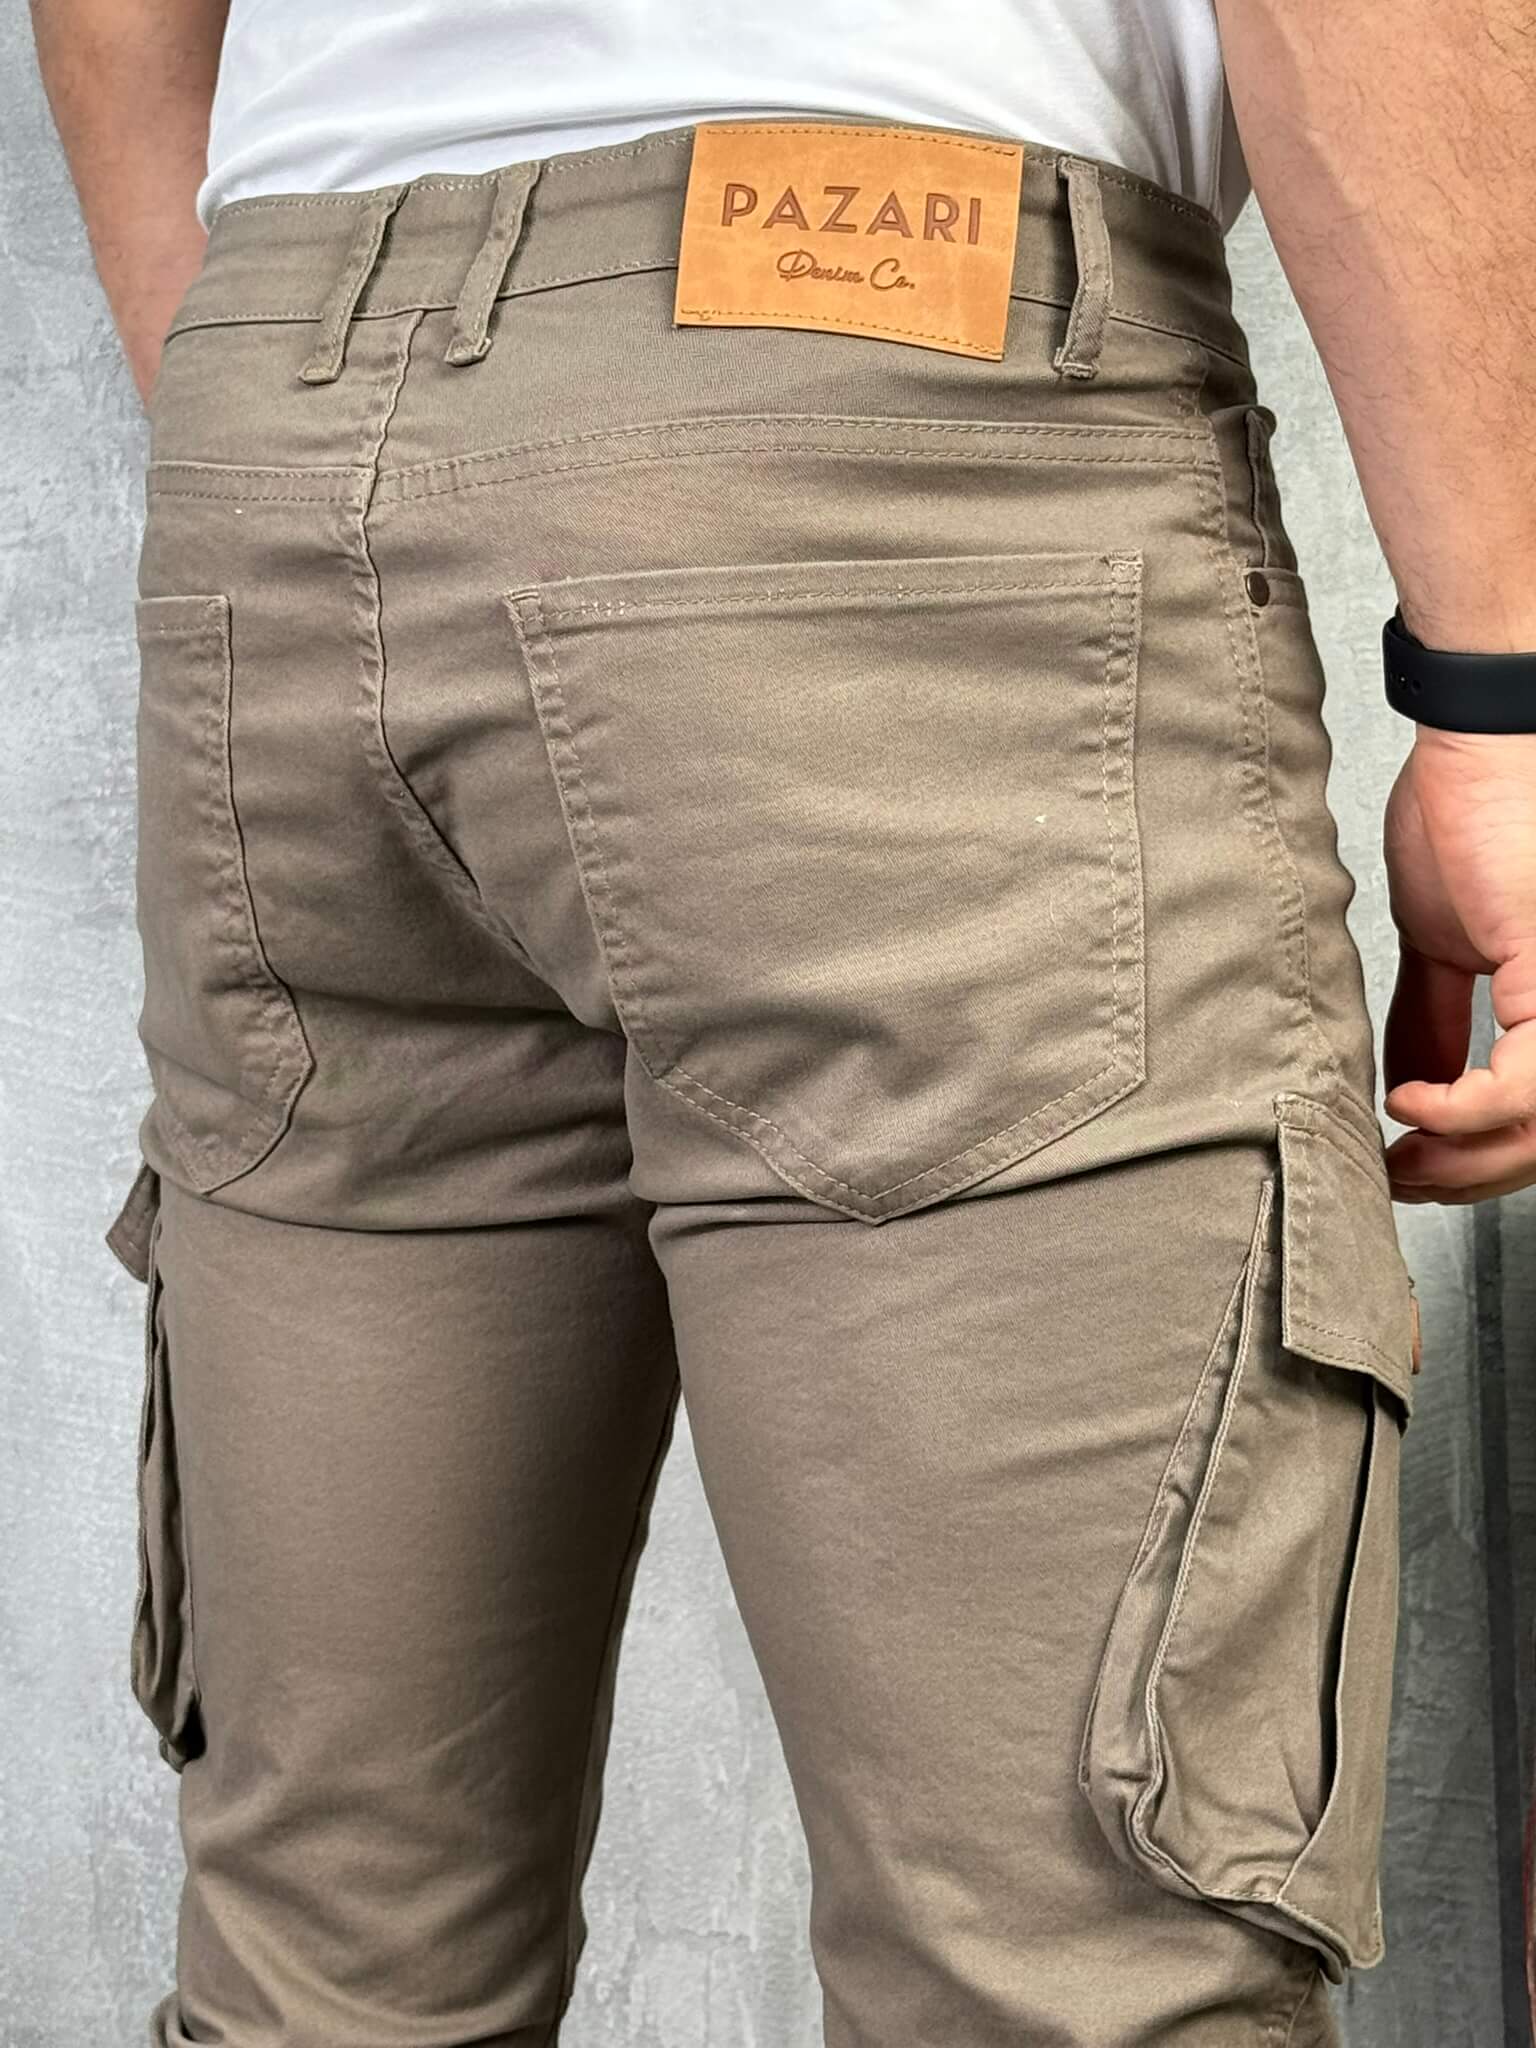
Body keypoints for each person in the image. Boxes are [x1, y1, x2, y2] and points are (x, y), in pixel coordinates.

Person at [29, 1, 1536, 2042]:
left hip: (281, 424)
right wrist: (1503, 701)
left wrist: (269, 414)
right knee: (1060, 1977)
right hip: (887, 420)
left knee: (330, 1966)